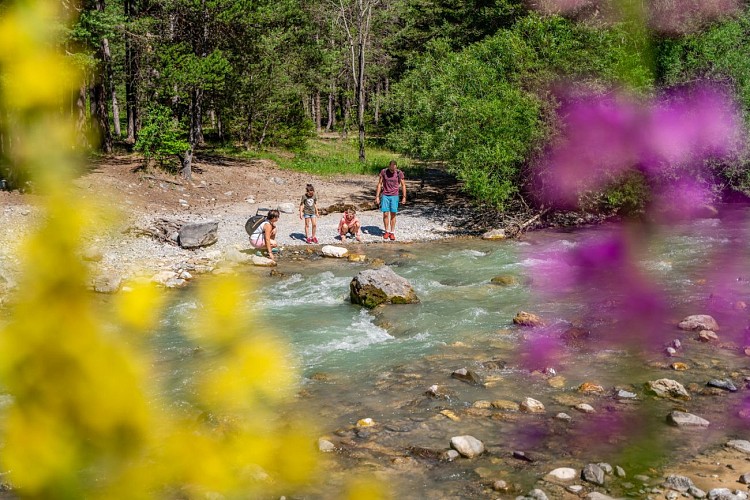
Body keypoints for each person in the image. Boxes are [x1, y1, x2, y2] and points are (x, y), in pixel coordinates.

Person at [375, 160, 406, 240]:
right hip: (385, 195)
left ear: (396, 167)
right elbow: (379, 184)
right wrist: (377, 196)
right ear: (389, 166)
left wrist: (404, 197)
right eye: (391, 168)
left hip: (394, 196)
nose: (393, 170)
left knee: (393, 214)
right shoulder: (384, 172)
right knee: (385, 214)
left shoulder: (399, 173)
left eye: (394, 169)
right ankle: (386, 231)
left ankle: (392, 232)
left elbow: (403, 185)